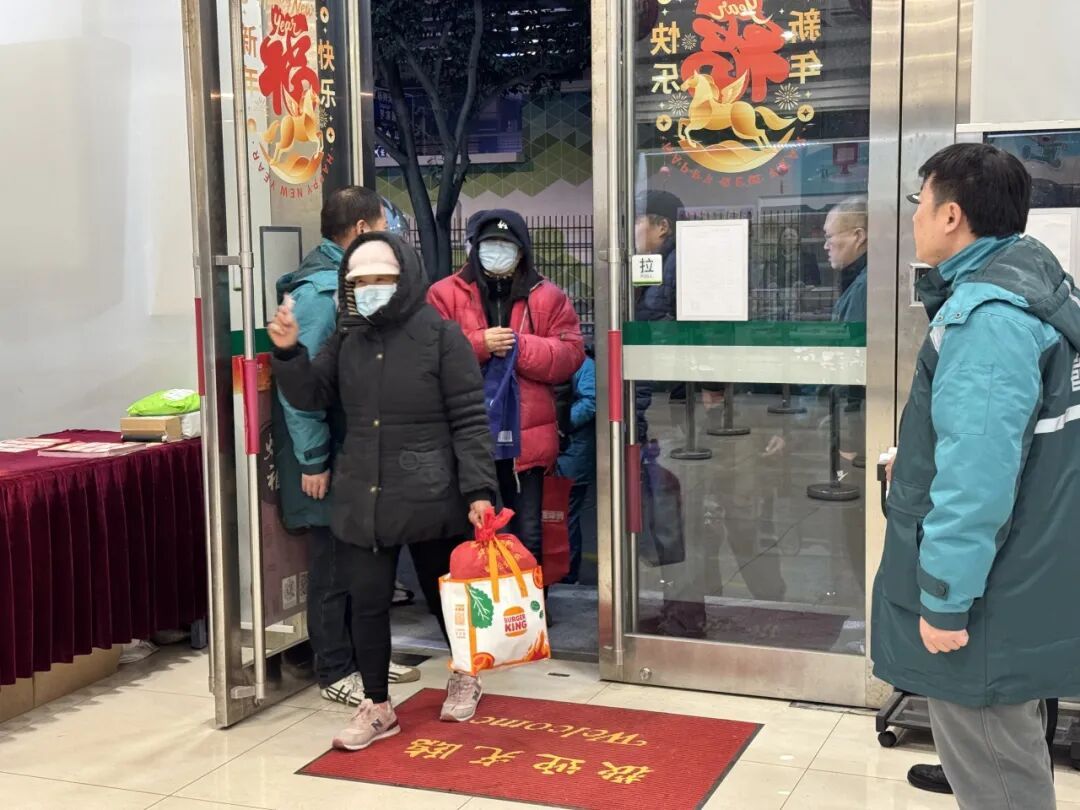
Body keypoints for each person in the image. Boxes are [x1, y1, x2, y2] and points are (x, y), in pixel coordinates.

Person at [873, 142, 1080, 809]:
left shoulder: (988, 320)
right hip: (1030, 567)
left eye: (920, 201)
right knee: (1008, 751)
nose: (914, 216)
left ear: (951, 215)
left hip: (990, 592)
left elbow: (977, 480)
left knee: (995, 766)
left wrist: (945, 598)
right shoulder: (1042, 290)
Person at [268, 232, 498, 751]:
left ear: (405, 278)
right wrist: (288, 354)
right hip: (363, 495)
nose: (371, 288)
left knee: (445, 597)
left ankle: (466, 674)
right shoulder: (347, 338)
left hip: (432, 492)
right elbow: (312, 394)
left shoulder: (441, 336)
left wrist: (479, 490)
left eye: (382, 279)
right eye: (361, 280)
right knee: (366, 602)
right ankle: (377, 705)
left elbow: (469, 420)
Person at [272, 187, 420, 706]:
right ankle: (335, 667)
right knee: (333, 564)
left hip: (355, 451)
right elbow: (300, 388)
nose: (389, 234)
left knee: (362, 561)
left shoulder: (351, 285)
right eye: (383, 224)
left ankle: (365, 657)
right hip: (327, 453)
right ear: (360, 230)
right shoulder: (319, 294)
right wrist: (313, 459)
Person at [428, 210, 585, 577]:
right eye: (488, 244)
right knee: (470, 533)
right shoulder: (443, 294)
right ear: (474, 248)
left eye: (505, 244)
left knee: (529, 535)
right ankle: (479, 603)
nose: (496, 251)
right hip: (466, 437)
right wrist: (478, 344)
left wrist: (520, 347)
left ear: (521, 251)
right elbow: (428, 354)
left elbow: (571, 354)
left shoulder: (548, 296)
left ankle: (530, 605)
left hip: (526, 440)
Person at [555, 348, 596, 584]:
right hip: (564, 450)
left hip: (572, 450)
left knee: (565, 515)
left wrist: (558, 424)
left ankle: (566, 573)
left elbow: (591, 402)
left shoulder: (583, 364)